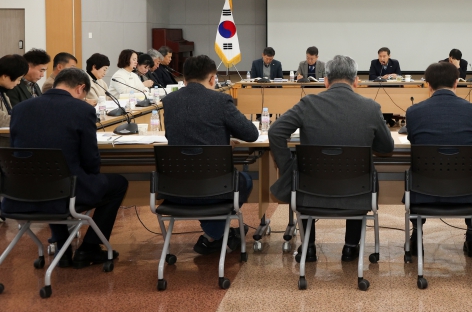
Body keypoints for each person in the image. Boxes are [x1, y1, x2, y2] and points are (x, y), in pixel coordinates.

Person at [269, 55, 394, 263]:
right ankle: (350, 247)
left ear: (326, 81)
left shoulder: (308, 103)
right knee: (357, 176)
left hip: (311, 190)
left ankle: (308, 247)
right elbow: (387, 147)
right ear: (356, 81)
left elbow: (275, 132)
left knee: (302, 177)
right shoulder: (371, 107)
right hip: (357, 193)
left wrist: (288, 167)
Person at [1, 68, 128, 268]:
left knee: (50, 175)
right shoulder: (82, 110)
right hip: (66, 192)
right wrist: (91, 175)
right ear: (80, 88)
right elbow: (91, 159)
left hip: (21, 193)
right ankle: (90, 248)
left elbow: (18, 152)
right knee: (118, 183)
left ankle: (63, 247)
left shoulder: (20, 109)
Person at [161, 55, 259, 255]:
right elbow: (251, 134)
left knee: (202, 181)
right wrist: (223, 142)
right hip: (215, 188)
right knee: (245, 180)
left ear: (184, 79)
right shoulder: (220, 100)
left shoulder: (169, 101)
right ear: (213, 78)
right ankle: (215, 234)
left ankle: (214, 236)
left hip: (176, 189)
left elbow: (173, 136)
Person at [405, 61, 472, 256]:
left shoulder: (414, 112)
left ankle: (416, 234)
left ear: (428, 85)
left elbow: (416, 144)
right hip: (468, 194)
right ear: (456, 83)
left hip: (424, 193)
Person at [0, 55, 28, 127]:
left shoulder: (3, 92)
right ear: (5, 76)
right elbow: (2, 120)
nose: (19, 82)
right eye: (18, 79)